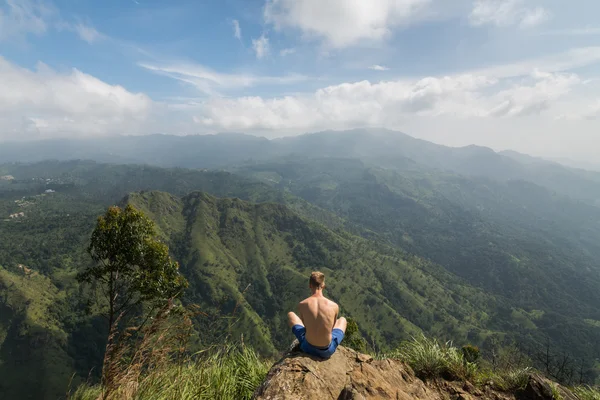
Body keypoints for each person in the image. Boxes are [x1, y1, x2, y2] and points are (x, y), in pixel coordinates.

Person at [287, 271, 347, 359]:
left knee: (291, 314)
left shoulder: (302, 304)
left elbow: (305, 327)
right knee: (342, 320)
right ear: (323, 285)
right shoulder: (334, 306)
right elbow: (332, 327)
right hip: (327, 350)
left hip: (307, 348)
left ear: (310, 285)